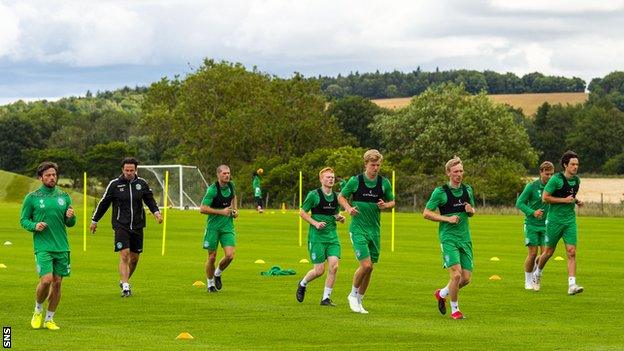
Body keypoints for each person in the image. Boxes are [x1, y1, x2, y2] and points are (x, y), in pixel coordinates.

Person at [90, 157, 162, 297]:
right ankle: (126, 286)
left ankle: (125, 280)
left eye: (132, 170)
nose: (129, 173)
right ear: (122, 170)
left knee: (134, 258)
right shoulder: (115, 184)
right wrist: (95, 220)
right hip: (120, 224)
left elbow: (149, 200)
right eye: (127, 170)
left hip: (138, 225)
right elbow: (104, 203)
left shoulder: (142, 183)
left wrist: (156, 213)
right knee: (124, 254)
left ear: (136, 170)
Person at [20, 162, 76, 330]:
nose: (52, 178)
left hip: (62, 247)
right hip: (43, 246)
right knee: (46, 281)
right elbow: (24, 220)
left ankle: (49, 319)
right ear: (41, 178)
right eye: (48, 175)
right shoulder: (32, 198)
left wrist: (71, 216)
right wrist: (34, 225)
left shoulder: (64, 196)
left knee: (57, 283)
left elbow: (71, 223)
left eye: (54, 175)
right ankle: (37, 310)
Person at [338, 149, 395, 314]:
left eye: (378, 165)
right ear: (366, 164)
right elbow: (341, 196)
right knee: (366, 264)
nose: (375, 168)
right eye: (372, 165)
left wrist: (385, 205)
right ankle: (352, 294)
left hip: (374, 231)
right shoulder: (356, 181)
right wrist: (348, 208)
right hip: (358, 229)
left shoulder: (384, 183)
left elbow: (392, 202)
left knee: (370, 268)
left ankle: (359, 300)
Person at [423, 156, 476, 320]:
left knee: (466, 279)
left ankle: (442, 293)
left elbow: (472, 211)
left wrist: (470, 211)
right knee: (456, 275)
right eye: (455, 172)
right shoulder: (440, 192)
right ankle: (455, 310)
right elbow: (426, 213)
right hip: (448, 238)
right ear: (448, 173)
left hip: (465, 238)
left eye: (460, 171)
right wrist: (447, 218)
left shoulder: (468, 190)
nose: (458, 174)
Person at [532, 151, 584, 295]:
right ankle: (537, 274)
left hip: (570, 221)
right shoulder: (556, 179)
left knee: (571, 252)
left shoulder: (577, 180)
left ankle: (572, 285)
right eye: (572, 164)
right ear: (565, 165)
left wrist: (577, 201)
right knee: (548, 252)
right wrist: (564, 200)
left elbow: (571, 196)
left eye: (577, 164)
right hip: (554, 221)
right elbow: (545, 198)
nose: (575, 167)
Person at [296, 167, 346, 306]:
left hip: (332, 237)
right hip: (317, 237)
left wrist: (339, 218)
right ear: (321, 179)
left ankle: (326, 298)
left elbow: (334, 214)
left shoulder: (337, 196)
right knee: (319, 271)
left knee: (334, 266)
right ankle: (303, 283)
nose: (331, 179)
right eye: (328, 177)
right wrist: (315, 223)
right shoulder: (314, 195)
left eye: (332, 177)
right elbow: (302, 212)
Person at [515, 161, 554, 290]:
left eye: (551, 174)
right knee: (532, 253)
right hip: (531, 225)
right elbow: (519, 203)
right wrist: (533, 212)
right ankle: (527, 281)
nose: (549, 177)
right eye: (547, 174)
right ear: (541, 172)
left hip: (547, 226)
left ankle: (536, 274)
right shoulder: (532, 186)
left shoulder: (553, 187)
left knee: (545, 254)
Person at [200, 165, 239, 292]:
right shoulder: (212, 190)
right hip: (213, 227)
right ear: (218, 175)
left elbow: (233, 197)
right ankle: (210, 284)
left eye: (228, 173)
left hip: (227, 226)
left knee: (230, 255)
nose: (227, 175)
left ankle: (217, 273)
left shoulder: (231, 186)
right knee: (212, 257)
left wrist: (235, 210)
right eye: (224, 173)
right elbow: (203, 208)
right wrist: (222, 212)